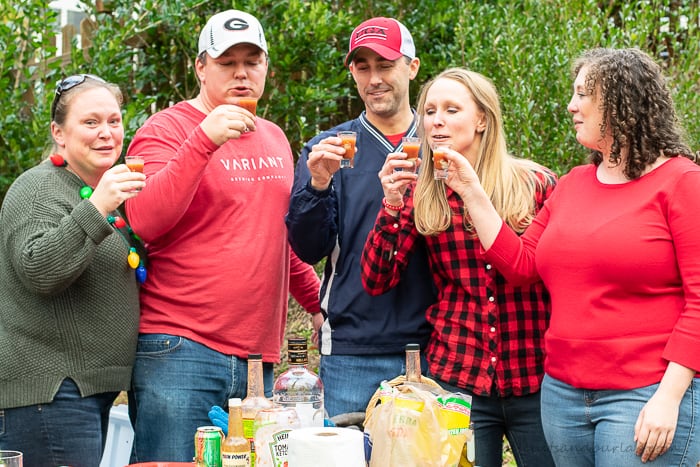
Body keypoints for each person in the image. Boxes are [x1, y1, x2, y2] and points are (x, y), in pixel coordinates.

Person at [444, 48, 700, 466]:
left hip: (644, 394)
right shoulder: (573, 183)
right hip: (562, 396)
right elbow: (522, 265)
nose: (571, 105)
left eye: (583, 94)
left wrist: (668, 398)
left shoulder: (682, 182)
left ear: (621, 102)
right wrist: (471, 190)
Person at [124, 9, 321, 462]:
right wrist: (203, 140)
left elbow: (279, 236)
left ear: (266, 67)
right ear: (200, 67)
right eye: (226, 62)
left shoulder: (273, 137)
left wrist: (317, 305)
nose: (241, 73)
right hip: (179, 349)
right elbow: (145, 219)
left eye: (252, 61)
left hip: (258, 362)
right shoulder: (166, 129)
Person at [361, 68, 556, 466]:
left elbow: (554, 275)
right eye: (430, 111)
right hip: (458, 377)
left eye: (452, 110)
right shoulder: (422, 191)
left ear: (482, 119)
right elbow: (377, 280)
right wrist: (392, 205)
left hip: (535, 375)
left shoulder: (535, 184)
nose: (437, 120)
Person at [285, 17, 436, 418]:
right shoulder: (329, 148)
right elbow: (307, 247)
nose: (374, 79)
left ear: (412, 67)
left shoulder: (441, 143)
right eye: (363, 67)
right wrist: (316, 184)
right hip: (353, 345)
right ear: (352, 72)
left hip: (436, 345)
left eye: (385, 65)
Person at [0, 74, 146, 465]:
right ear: (58, 133)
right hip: (48, 396)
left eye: (114, 121)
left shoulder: (95, 191)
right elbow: (39, 270)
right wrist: (96, 207)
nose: (106, 133)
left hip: (82, 394)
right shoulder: (37, 189)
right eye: (91, 122)